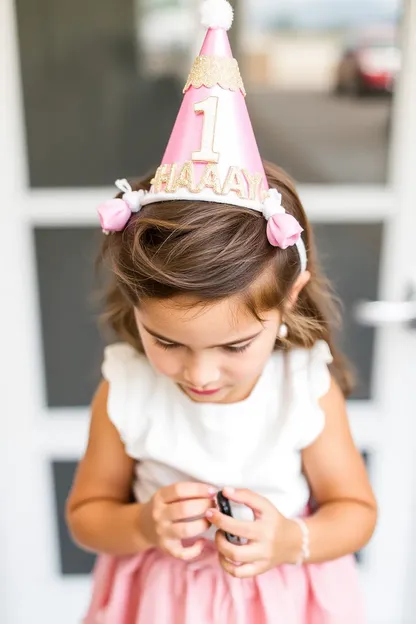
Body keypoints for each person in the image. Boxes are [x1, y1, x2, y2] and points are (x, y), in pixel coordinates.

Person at [66, 1, 377, 621]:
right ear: (136, 305)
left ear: (289, 299)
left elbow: (356, 511)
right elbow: (87, 517)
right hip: (162, 602)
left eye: (234, 346)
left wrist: (293, 538)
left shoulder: (303, 388)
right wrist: (142, 525)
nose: (200, 375)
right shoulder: (126, 388)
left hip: (284, 602)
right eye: (168, 341)